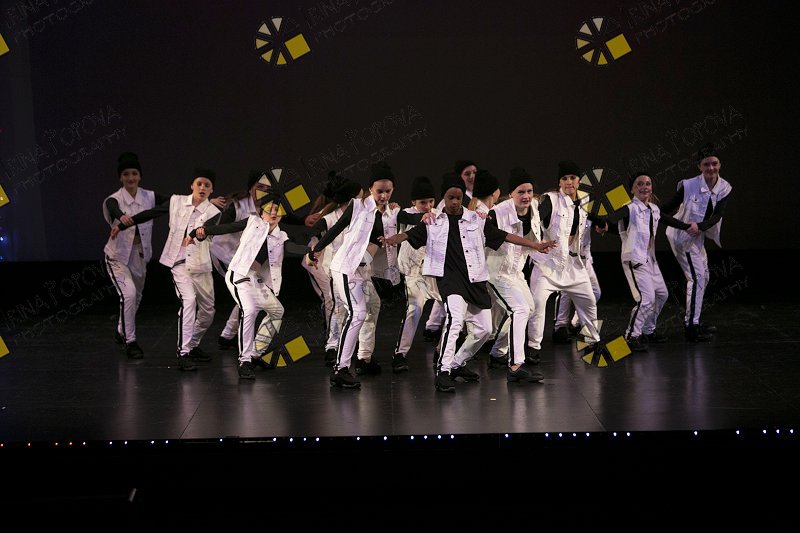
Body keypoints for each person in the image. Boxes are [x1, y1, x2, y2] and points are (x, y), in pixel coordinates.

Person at [383, 177, 556, 392]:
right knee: (455, 320)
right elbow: (409, 234)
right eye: (450, 197)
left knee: (484, 329)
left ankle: (456, 364)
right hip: (450, 280)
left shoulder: (475, 219)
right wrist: (393, 239)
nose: (455, 202)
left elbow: (505, 236)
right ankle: (443, 371)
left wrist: (535, 245)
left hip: (474, 279)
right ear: (444, 198)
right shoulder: (433, 222)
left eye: (458, 198)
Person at [189, 190, 308, 379]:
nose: (274, 213)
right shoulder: (253, 222)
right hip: (239, 275)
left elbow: (292, 247)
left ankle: (255, 354)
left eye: (277, 210)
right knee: (250, 310)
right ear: (262, 213)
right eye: (269, 210)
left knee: (277, 311)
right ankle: (244, 361)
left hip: (257, 281)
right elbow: (227, 227)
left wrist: (312, 250)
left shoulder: (281, 236)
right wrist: (201, 231)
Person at [111, 168, 221, 370]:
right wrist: (123, 224)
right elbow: (151, 213)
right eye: (199, 183)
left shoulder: (214, 212)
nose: (202, 187)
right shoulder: (177, 202)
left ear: (212, 190)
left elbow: (210, 231)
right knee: (189, 301)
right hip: (179, 263)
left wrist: (200, 234)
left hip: (201, 266)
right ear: (192, 185)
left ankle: (192, 344)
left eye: (207, 185)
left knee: (208, 312)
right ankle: (184, 353)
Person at [305, 161, 396, 389]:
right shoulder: (356, 206)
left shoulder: (384, 213)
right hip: (344, 267)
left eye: (388, 191)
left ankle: (361, 358)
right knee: (353, 312)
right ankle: (339, 363)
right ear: (369, 189)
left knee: (369, 307)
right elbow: (334, 229)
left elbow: (399, 224)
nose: (384, 196)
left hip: (360, 269)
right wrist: (315, 250)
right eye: (379, 191)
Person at [526, 160, 606, 362]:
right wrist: (535, 240)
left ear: (579, 181)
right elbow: (535, 218)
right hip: (547, 265)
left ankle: (593, 341)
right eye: (564, 178)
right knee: (537, 304)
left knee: (589, 301)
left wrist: (602, 223)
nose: (569, 181)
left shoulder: (584, 200)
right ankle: (533, 347)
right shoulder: (551, 200)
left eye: (572, 178)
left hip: (574, 265)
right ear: (559, 182)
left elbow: (589, 215)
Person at [604, 171, 692, 351]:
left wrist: (688, 227)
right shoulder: (630, 208)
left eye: (648, 183)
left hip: (650, 260)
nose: (644, 187)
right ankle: (632, 336)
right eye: (640, 184)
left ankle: (648, 330)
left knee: (662, 294)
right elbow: (614, 217)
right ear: (632, 189)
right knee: (646, 298)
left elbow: (669, 220)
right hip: (635, 259)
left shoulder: (653, 209)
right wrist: (604, 223)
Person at [663, 143, 732, 342]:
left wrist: (700, 227)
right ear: (699, 166)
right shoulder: (688, 185)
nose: (711, 168)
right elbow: (666, 208)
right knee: (697, 278)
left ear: (719, 164)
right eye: (706, 164)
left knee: (705, 276)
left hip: (697, 236)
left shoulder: (724, 187)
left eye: (714, 163)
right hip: (682, 237)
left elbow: (717, 215)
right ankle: (691, 327)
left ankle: (694, 319)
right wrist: (646, 210)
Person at [484, 167, 545, 382]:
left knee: (528, 308)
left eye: (529, 191)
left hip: (516, 271)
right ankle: (516, 365)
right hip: (496, 272)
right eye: (521, 192)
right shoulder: (497, 213)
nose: (526, 196)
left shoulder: (534, 207)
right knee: (519, 309)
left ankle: (497, 353)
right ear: (511, 194)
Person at [102, 152, 158, 359]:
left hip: (139, 256)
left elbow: (175, 202)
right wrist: (121, 217)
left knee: (137, 297)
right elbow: (112, 207)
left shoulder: (149, 196)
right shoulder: (115, 198)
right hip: (117, 257)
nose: (130, 178)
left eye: (134, 173)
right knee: (129, 295)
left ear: (140, 176)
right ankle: (130, 341)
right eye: (126, 174)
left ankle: (121, 331)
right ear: (120, 177)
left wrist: (202, 201)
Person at [305, 173, 364, 366]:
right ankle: (332, 345)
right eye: (360, 195)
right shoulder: (330, 218)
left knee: (357, 308)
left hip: (358, 268)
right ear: (352, 199)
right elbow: (315, 233)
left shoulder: (362, 214)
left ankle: (353, 344)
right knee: (338, 305)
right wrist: (312, 251)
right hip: (337, 268)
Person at [211, 170, 269, 350]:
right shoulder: (238, 205)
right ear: (250, 188)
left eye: (266, 188)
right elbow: (221, 227)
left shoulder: (268, 207)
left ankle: (228, 335)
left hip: (243, 257)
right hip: (224, 253)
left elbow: (289, 218)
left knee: (251, 292)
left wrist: (307, 219)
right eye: (259, 187)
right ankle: (230, 335)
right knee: (247, 292)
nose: (262, 191)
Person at [393, 176, 438, 373]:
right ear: (413, 202)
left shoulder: (438, 214)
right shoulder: (406, 213)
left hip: (434, 273)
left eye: (430, 201)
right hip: (413, 273)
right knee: (415, 309)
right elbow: (399, 217)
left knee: (455, 307)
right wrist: (393, 208)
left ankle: (443, 351)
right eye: (422, 202)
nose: (427, 206)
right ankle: (400, 354)